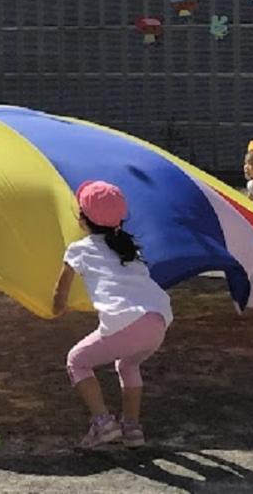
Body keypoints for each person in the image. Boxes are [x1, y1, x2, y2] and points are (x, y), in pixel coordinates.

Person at [52, 182, 172, 450]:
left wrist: (56, 309)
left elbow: (60, 293)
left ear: (82, 220)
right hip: (157, 320)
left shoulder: (78, 250)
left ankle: (103, 423)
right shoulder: (130, 248)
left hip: (126, 322)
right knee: (128, 365)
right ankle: (132, 428)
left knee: (77, 361)